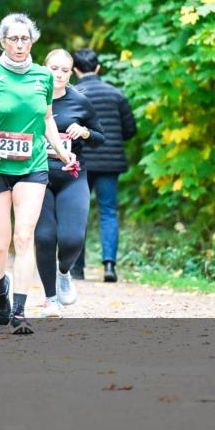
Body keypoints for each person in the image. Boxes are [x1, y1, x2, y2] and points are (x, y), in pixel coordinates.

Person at [0, 13, 76, 335]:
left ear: (32, 41)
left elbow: (48, 119)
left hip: (32, 165)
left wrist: (62, 149)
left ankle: (20, 310)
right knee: (0, 243)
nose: (20, 44)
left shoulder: (42, 77)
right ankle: (0, 289)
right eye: (13, 38)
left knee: (24, 237)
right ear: (2, 41)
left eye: (25, 39)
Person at [34, 50, 105, 316]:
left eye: (65, 70)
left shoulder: (80, 101)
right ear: (44, 68)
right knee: (43, 237)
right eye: (54, 68)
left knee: (72, 238)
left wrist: (85, 132)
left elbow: (101, 137)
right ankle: (50, 299)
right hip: (37, 176)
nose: (60, 74)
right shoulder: (32, 96)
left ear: (72, 71)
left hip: (72, 176)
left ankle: (64, 272)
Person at [71, 48, 137, 283]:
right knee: (108, 211)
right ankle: (109, 265)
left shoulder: (73, 94)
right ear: (98, 68)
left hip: (82, 162)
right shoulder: (116, 94)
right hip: (110, 162)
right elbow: (130, 130)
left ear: (75, 70)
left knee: (79, 212)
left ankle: (77, 267)